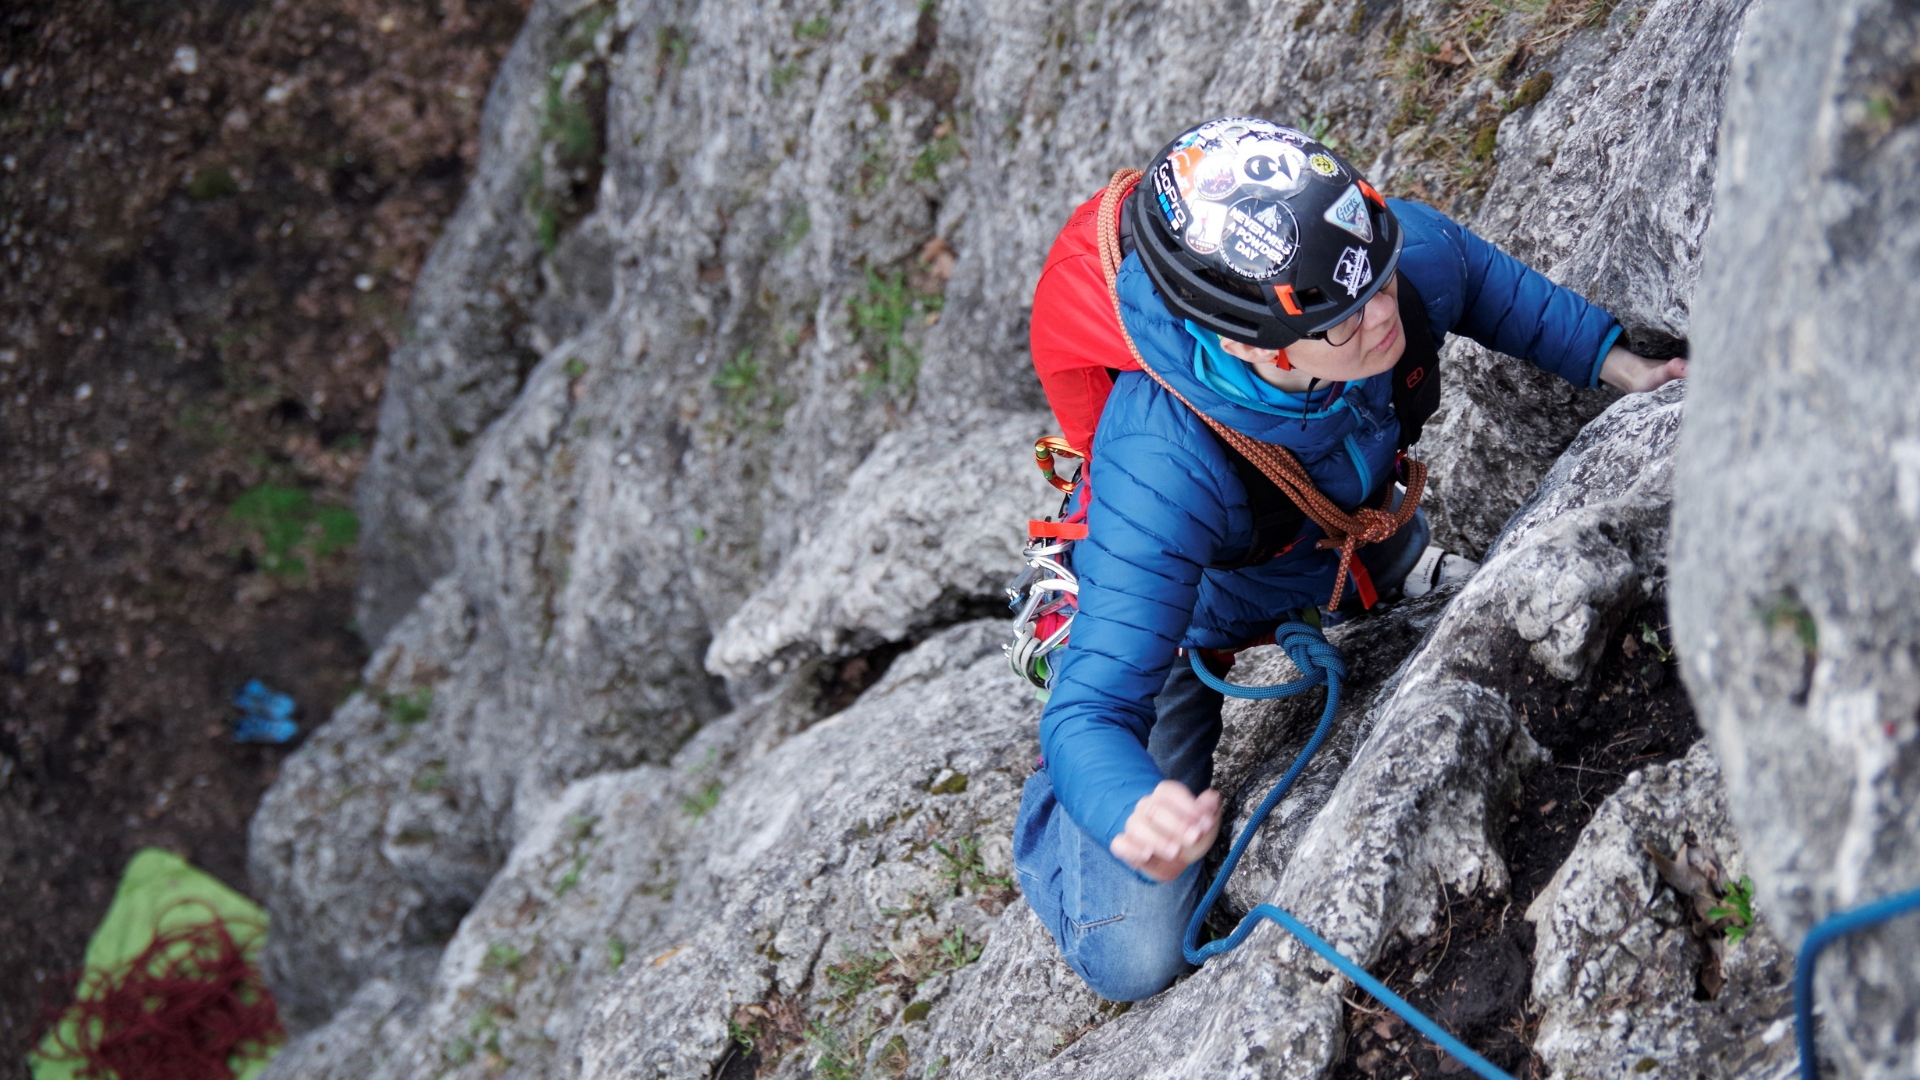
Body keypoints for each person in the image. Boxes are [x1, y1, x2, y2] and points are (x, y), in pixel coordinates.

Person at [1012, 117, 1686, 1002]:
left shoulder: (1364, 271)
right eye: (1346, 312)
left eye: (1379, 276)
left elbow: (1481, 280)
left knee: (1338, 492)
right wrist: (1128, 803)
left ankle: (1377, 565)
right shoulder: (1159, 464)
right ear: (1257, 346)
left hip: (1326, 533)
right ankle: (1052, 821)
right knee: (1133, 955)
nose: (1381, 310)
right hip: (1178, 622)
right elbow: (1091, 712)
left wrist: (1616, 361)